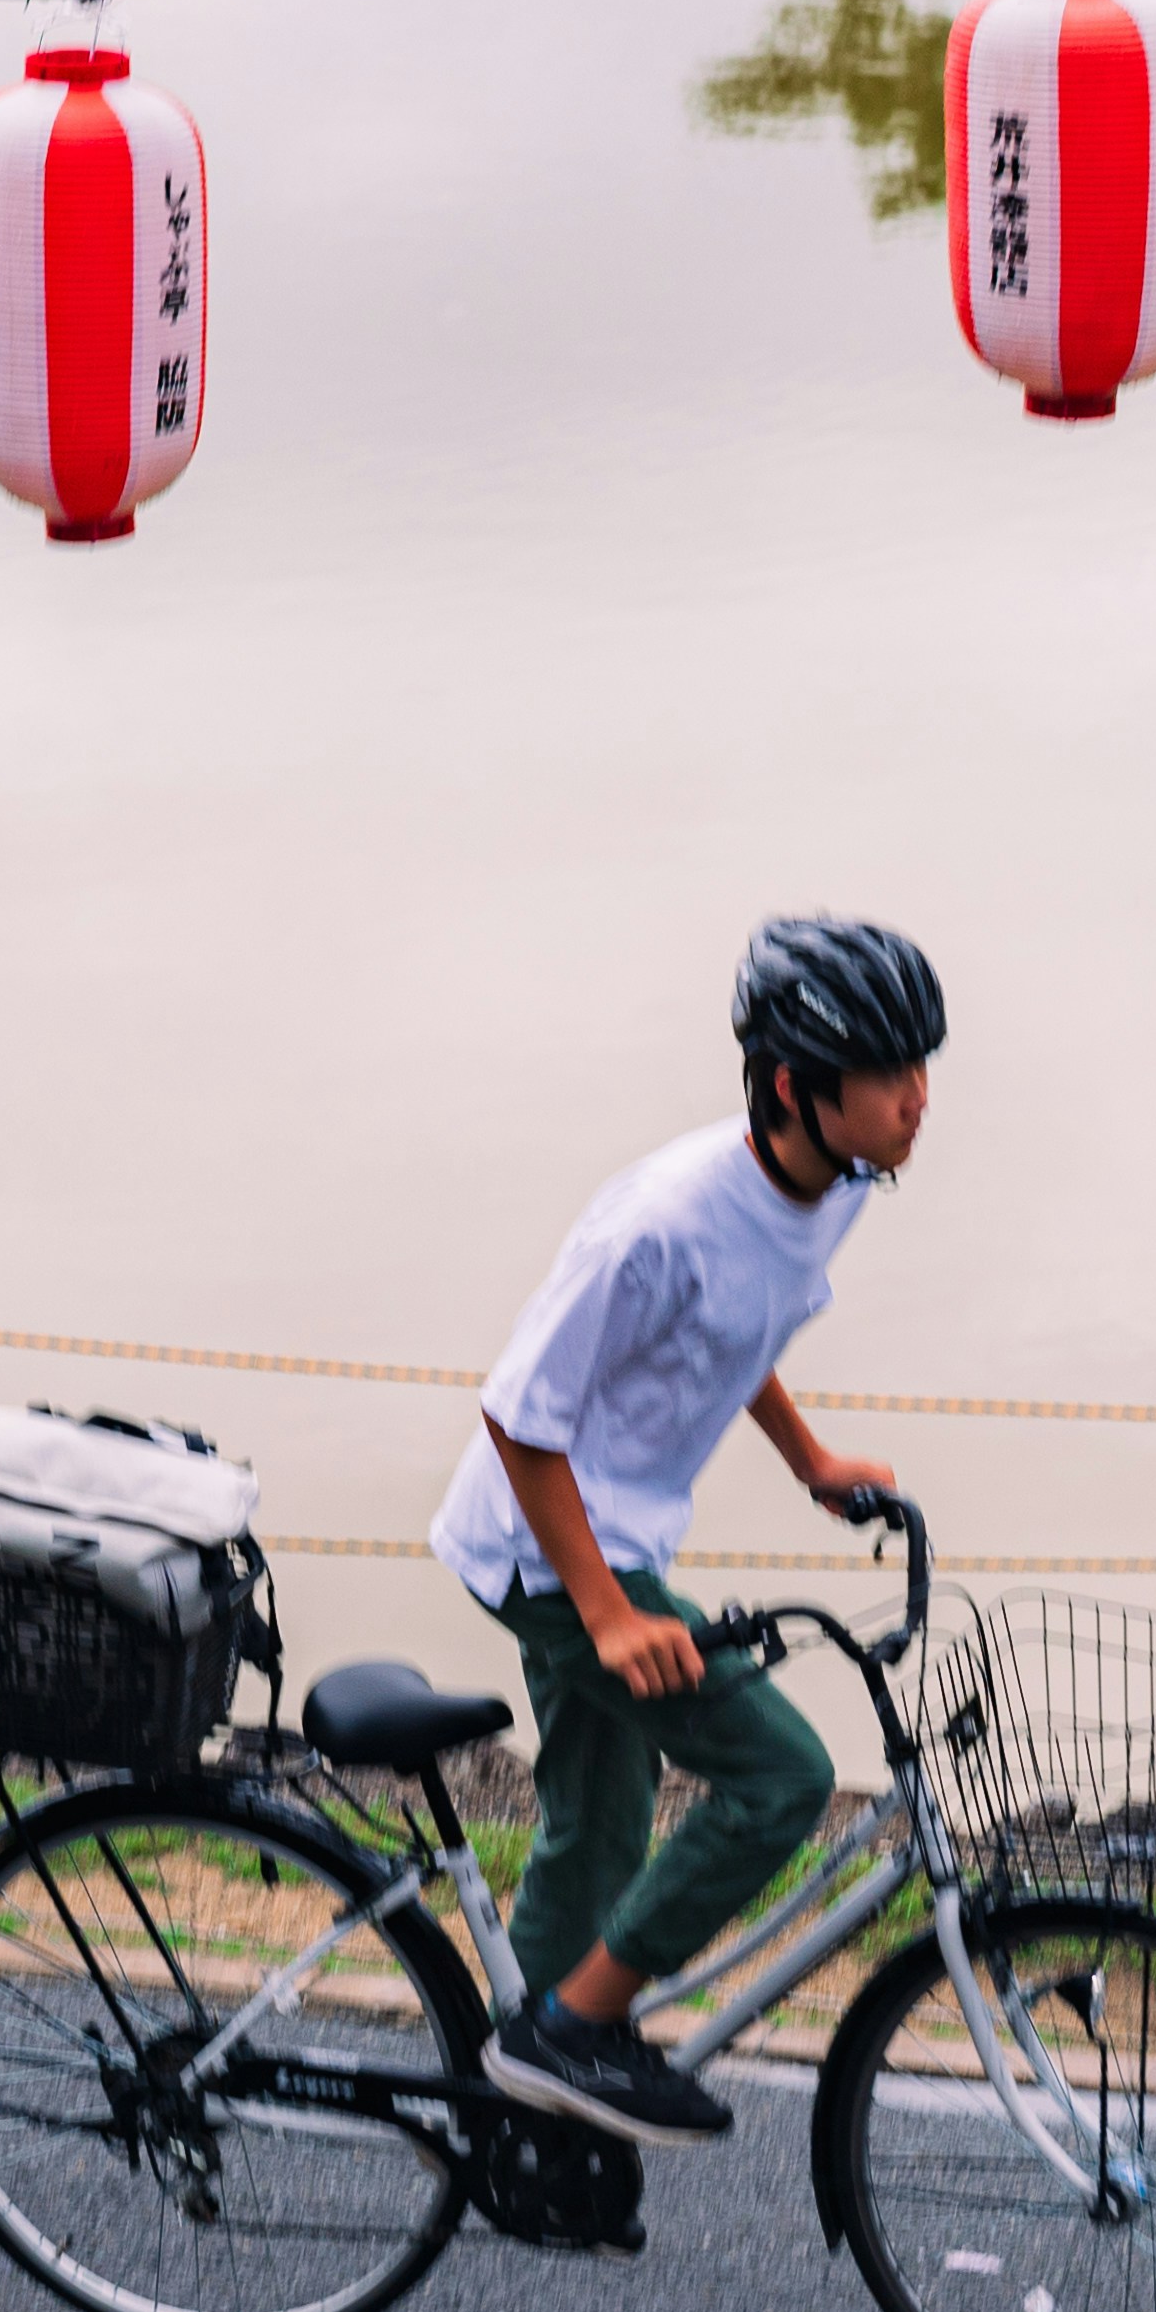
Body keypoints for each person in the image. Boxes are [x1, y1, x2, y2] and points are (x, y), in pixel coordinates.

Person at [427, 917, 943, 2145]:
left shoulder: (835, 1184)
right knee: (781, 1778)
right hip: (547, 1546)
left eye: (923, 1067)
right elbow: (518, 1416)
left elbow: (733, 1332)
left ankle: (527, 2126)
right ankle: (574, 2030)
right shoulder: (656, 1224)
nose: (916, 1100)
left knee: (598, 1820)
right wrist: (604, 1612)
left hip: (618, 1531)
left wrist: (808, 1460)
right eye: (886, 1075)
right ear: (791, 1089)